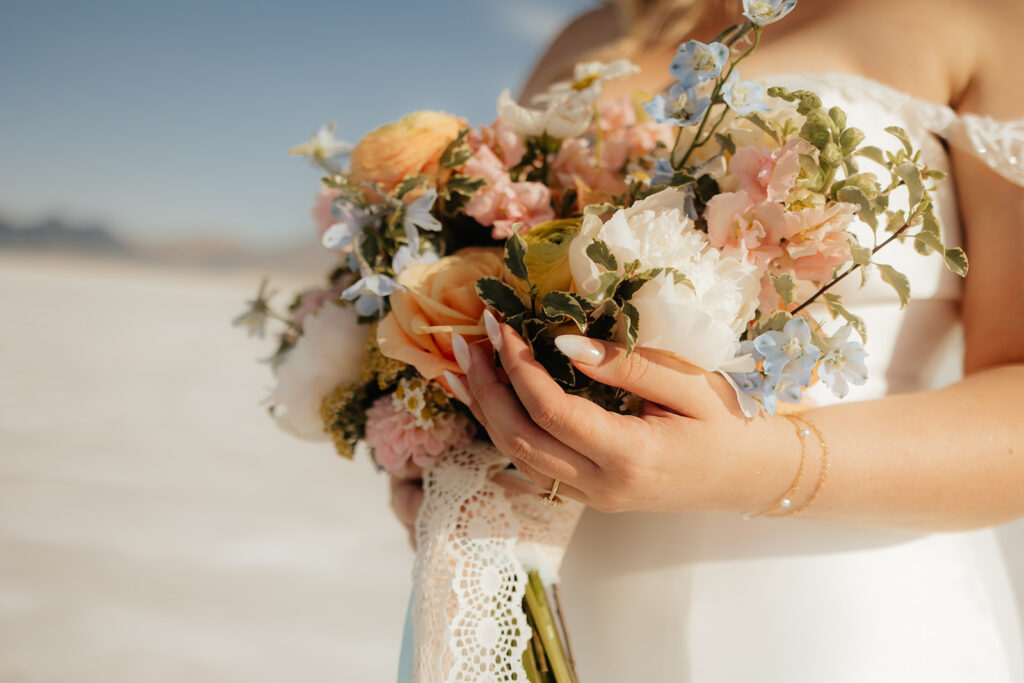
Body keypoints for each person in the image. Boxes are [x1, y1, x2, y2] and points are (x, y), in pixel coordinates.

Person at [391, 0, 1024, 679]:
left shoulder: (978, 18)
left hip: (839, 610)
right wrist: (469, 441)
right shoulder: (587, 37)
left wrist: (763, 461)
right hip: (573, 602)